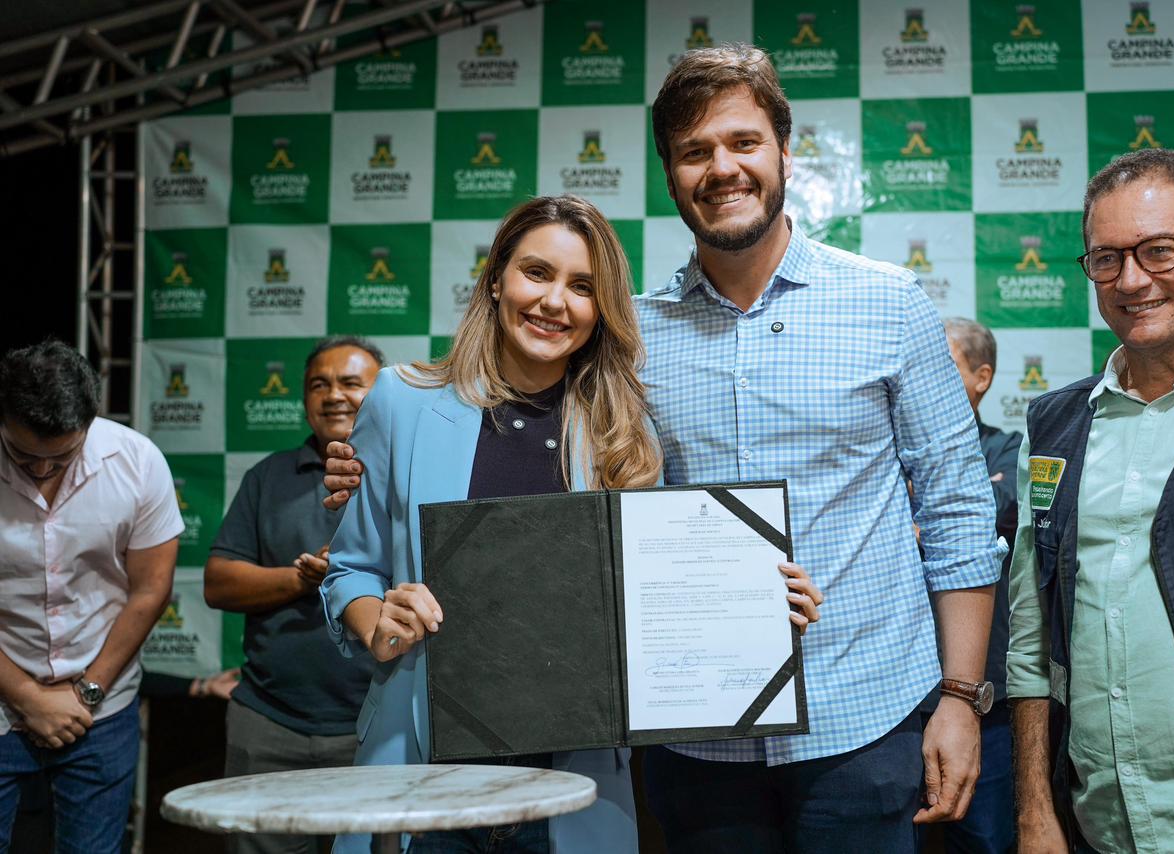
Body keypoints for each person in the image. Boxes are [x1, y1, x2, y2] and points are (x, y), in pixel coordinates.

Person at [325, 46, 997, 851]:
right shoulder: (631, 348)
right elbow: (578, 513)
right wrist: (366, 481)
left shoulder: (890, 304)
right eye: (694, 151)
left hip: (861, 720)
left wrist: (961, 696)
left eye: (744, 142)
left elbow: (960, 510)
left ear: (785, 152)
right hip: (691, 743)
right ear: (672, 177)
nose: (723, 168)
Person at [318, 194, 825, 854]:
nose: (555, 302)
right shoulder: (402, 400)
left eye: (582, 287)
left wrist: (754, 609)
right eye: (537, 273)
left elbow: (658, 599)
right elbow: (350, 568)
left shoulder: (625, 432)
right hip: (422, 774)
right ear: (495, 279)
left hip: (573, 785)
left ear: (601, 309)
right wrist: (378, 624)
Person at [1008, 148, 1174, 853]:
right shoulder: (1053, 428)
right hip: (1099, 830)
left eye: (1160, 250)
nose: (1131, 280)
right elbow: (1032, 640)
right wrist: (1035, 807)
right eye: (1107, 259)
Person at [0, 339, 182, 852]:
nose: (41, 471)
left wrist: (87, 692)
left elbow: (151, 589)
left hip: (101, 709)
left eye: (60, 458)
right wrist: (29, 698)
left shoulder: (138, 462)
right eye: (23, 456)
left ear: (90, 421)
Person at [204, 335, 383, 853]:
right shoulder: (268, 477)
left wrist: (351, 578)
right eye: (318, 385)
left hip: (375, 727)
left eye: (351, 383)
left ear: (381, 395)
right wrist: (300, 579)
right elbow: (218, 582)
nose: (334, 395)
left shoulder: (405, 476)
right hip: (268, 725)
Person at [917, 319, 1020, 854]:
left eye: (944, 365)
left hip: (984, 698)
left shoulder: (1010, 448)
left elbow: (992, 510)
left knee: (985, 841)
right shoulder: (890, 455)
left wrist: (925, 518)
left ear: (982, 377)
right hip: (900, 701)